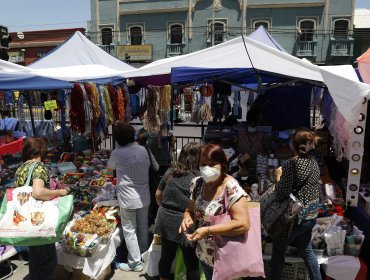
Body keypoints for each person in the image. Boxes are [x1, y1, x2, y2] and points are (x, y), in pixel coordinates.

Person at [179, 143, 250, 280]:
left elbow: (243, 224)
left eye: (212, 164)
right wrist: (187, 218)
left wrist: (207, 230)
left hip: (227, 257)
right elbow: (190, 210)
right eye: (203, 164)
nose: (206, 169)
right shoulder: (197, 184)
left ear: (222, 164)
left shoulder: (231, 188)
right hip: (204, 254)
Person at [270, 128, 322, 280]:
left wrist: (278, 176)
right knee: (306, 249)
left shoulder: (291, 165)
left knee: (278, 249)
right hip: (311, 216)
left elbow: (280, 193)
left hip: (296, 218)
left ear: (293, 145)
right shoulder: (314, 163)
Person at [13, 138, 68, 280]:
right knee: (47, 262)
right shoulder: (39, 167)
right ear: (41, 152)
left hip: (25, 221)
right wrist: (58, 192)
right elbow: (38, 192)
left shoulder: (20, 169)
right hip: (38, 221)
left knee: (35, 259)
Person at [107, 123, 159, 272]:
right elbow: (155, 167)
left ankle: (135, 263)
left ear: (118, 139)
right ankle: (143, 255)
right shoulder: (143, 149)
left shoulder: (117, 153)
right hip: (144, 196)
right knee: (143, 226)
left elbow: (110, 167)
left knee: (129, 229)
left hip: (127, 198)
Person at [154, 142, 202, 280]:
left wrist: (164, 208)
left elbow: (158, 194)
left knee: (166, 257)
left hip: (166, 218)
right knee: (191, 263)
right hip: (187, 222)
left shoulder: (171, 171)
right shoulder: (199, 178)